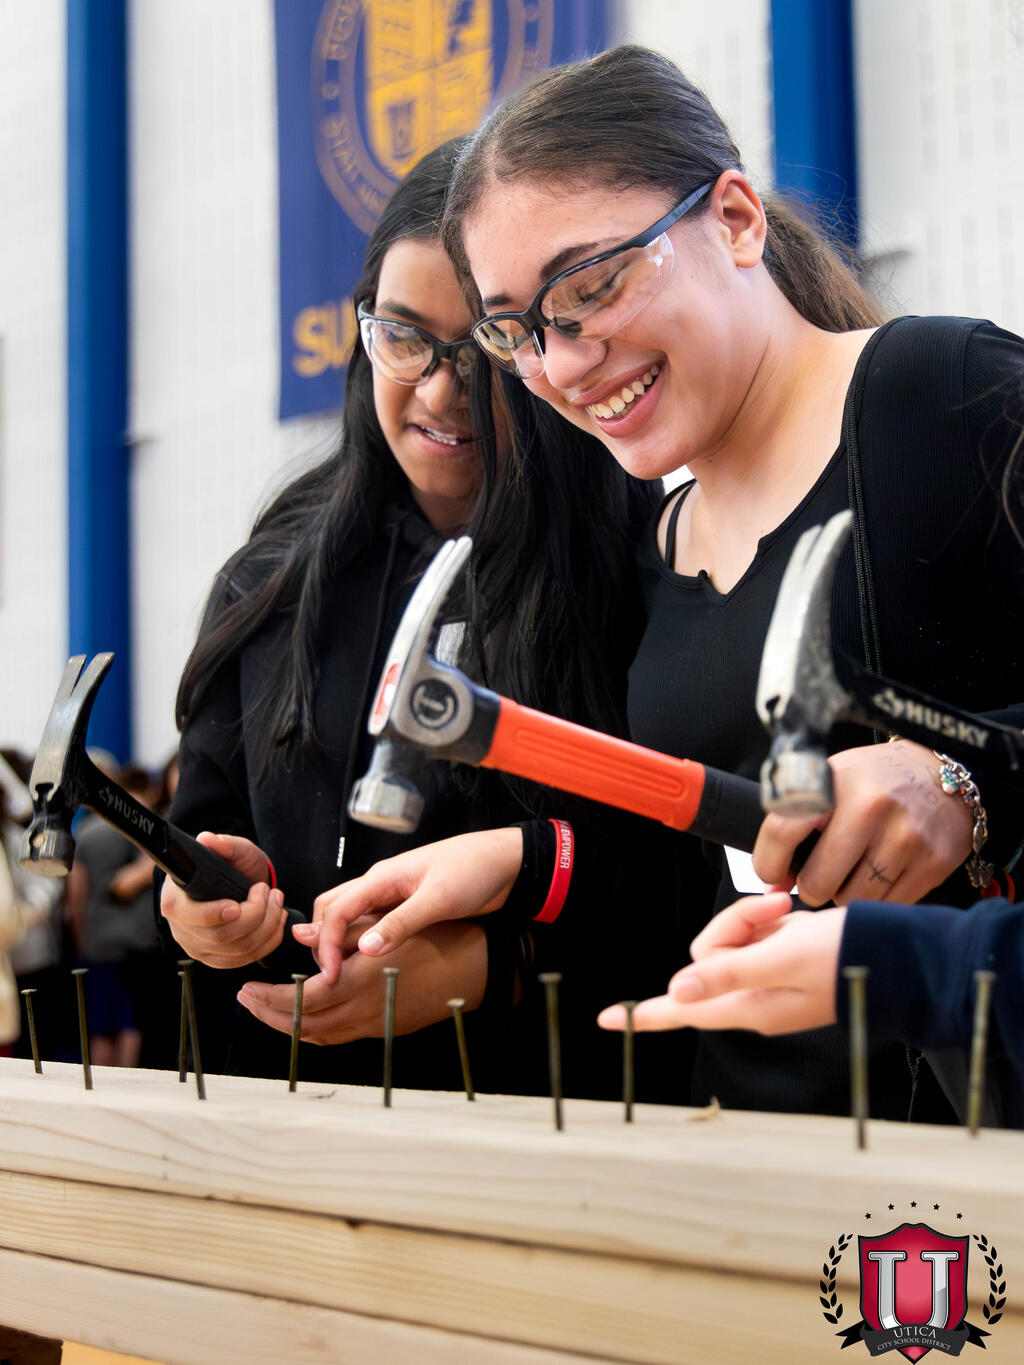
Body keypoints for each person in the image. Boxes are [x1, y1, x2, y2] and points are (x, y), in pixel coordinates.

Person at [304, 45, 1024, 1121]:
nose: (560, 364)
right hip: (749, 1141)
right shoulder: (664, 542)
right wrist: (509, 863)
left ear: (733, 221)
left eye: (591, 287)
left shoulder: (940, 397)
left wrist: (968, 784)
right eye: (516, 330)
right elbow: (702, 879)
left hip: (962, 1162)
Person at [160, 136, 659, 1091]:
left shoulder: (632, 563)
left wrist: (486, 966)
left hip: (542, 1108)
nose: (439, 389)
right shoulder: (271, 580)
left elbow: (677, 877)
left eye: (481, 350)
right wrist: (206, 908)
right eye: (402, 337)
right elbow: (203, 826)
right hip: (288, 1106)